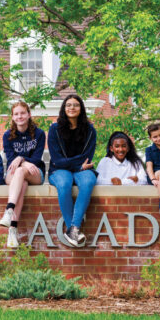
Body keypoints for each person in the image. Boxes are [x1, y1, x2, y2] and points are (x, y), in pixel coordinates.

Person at [47, 94, 97, 248]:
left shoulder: (90, 130)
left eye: (76, 105)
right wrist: (78, 165)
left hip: (82, 169)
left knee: (89, 181)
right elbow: (57, 159)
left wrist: (79, 167)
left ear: (81, 108)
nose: (72, 108)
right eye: (68, 105)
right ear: (64, 108)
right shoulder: (54, 129)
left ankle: (73, 228)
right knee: (64, 184)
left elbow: (87, 157)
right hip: (59, 170)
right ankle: (73, 230)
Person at [0, 101, 46, 245]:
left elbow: (37, 159)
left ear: (29, 114)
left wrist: (21, 159)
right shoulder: (7, 135)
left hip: (35, 172)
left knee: (21, 171)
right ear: (12, 117)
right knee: (22, 181)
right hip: (14, 173)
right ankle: (12, 230)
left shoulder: (39, 134)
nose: (20, 116)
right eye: (16, 114)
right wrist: (22, 160)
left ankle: (9, 210)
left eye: (22, 113)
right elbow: (11, 158)